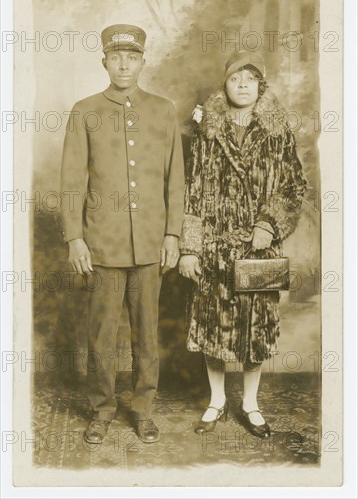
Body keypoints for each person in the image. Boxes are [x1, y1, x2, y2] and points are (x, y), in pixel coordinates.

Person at [60, 24, 184, 444]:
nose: (124, 64)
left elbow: (175, 180)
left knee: (147, 335)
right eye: (116, 58)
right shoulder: (85, 110)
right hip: (102, 244)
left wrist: (172, 234)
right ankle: (102, 410)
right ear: (105, 62)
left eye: (132, 57)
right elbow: (72, 179)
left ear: (143, 61)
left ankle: (143, 409)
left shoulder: (164, 109)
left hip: (150, 244)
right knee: (102, 336)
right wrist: (74, 237)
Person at [179, 52, 307, 438]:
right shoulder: (205, 132)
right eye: (236, 78)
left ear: (261, 86)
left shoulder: (277, 131)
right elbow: (192, 191)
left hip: (257, 249)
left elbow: (293, 186)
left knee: (256, 330)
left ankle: (251, 404)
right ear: (225, 84)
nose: (243, 85)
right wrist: (190, 247)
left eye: (251, 78)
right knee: (211, 327)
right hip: (214, 247)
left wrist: (269, 224)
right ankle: (216, 401)